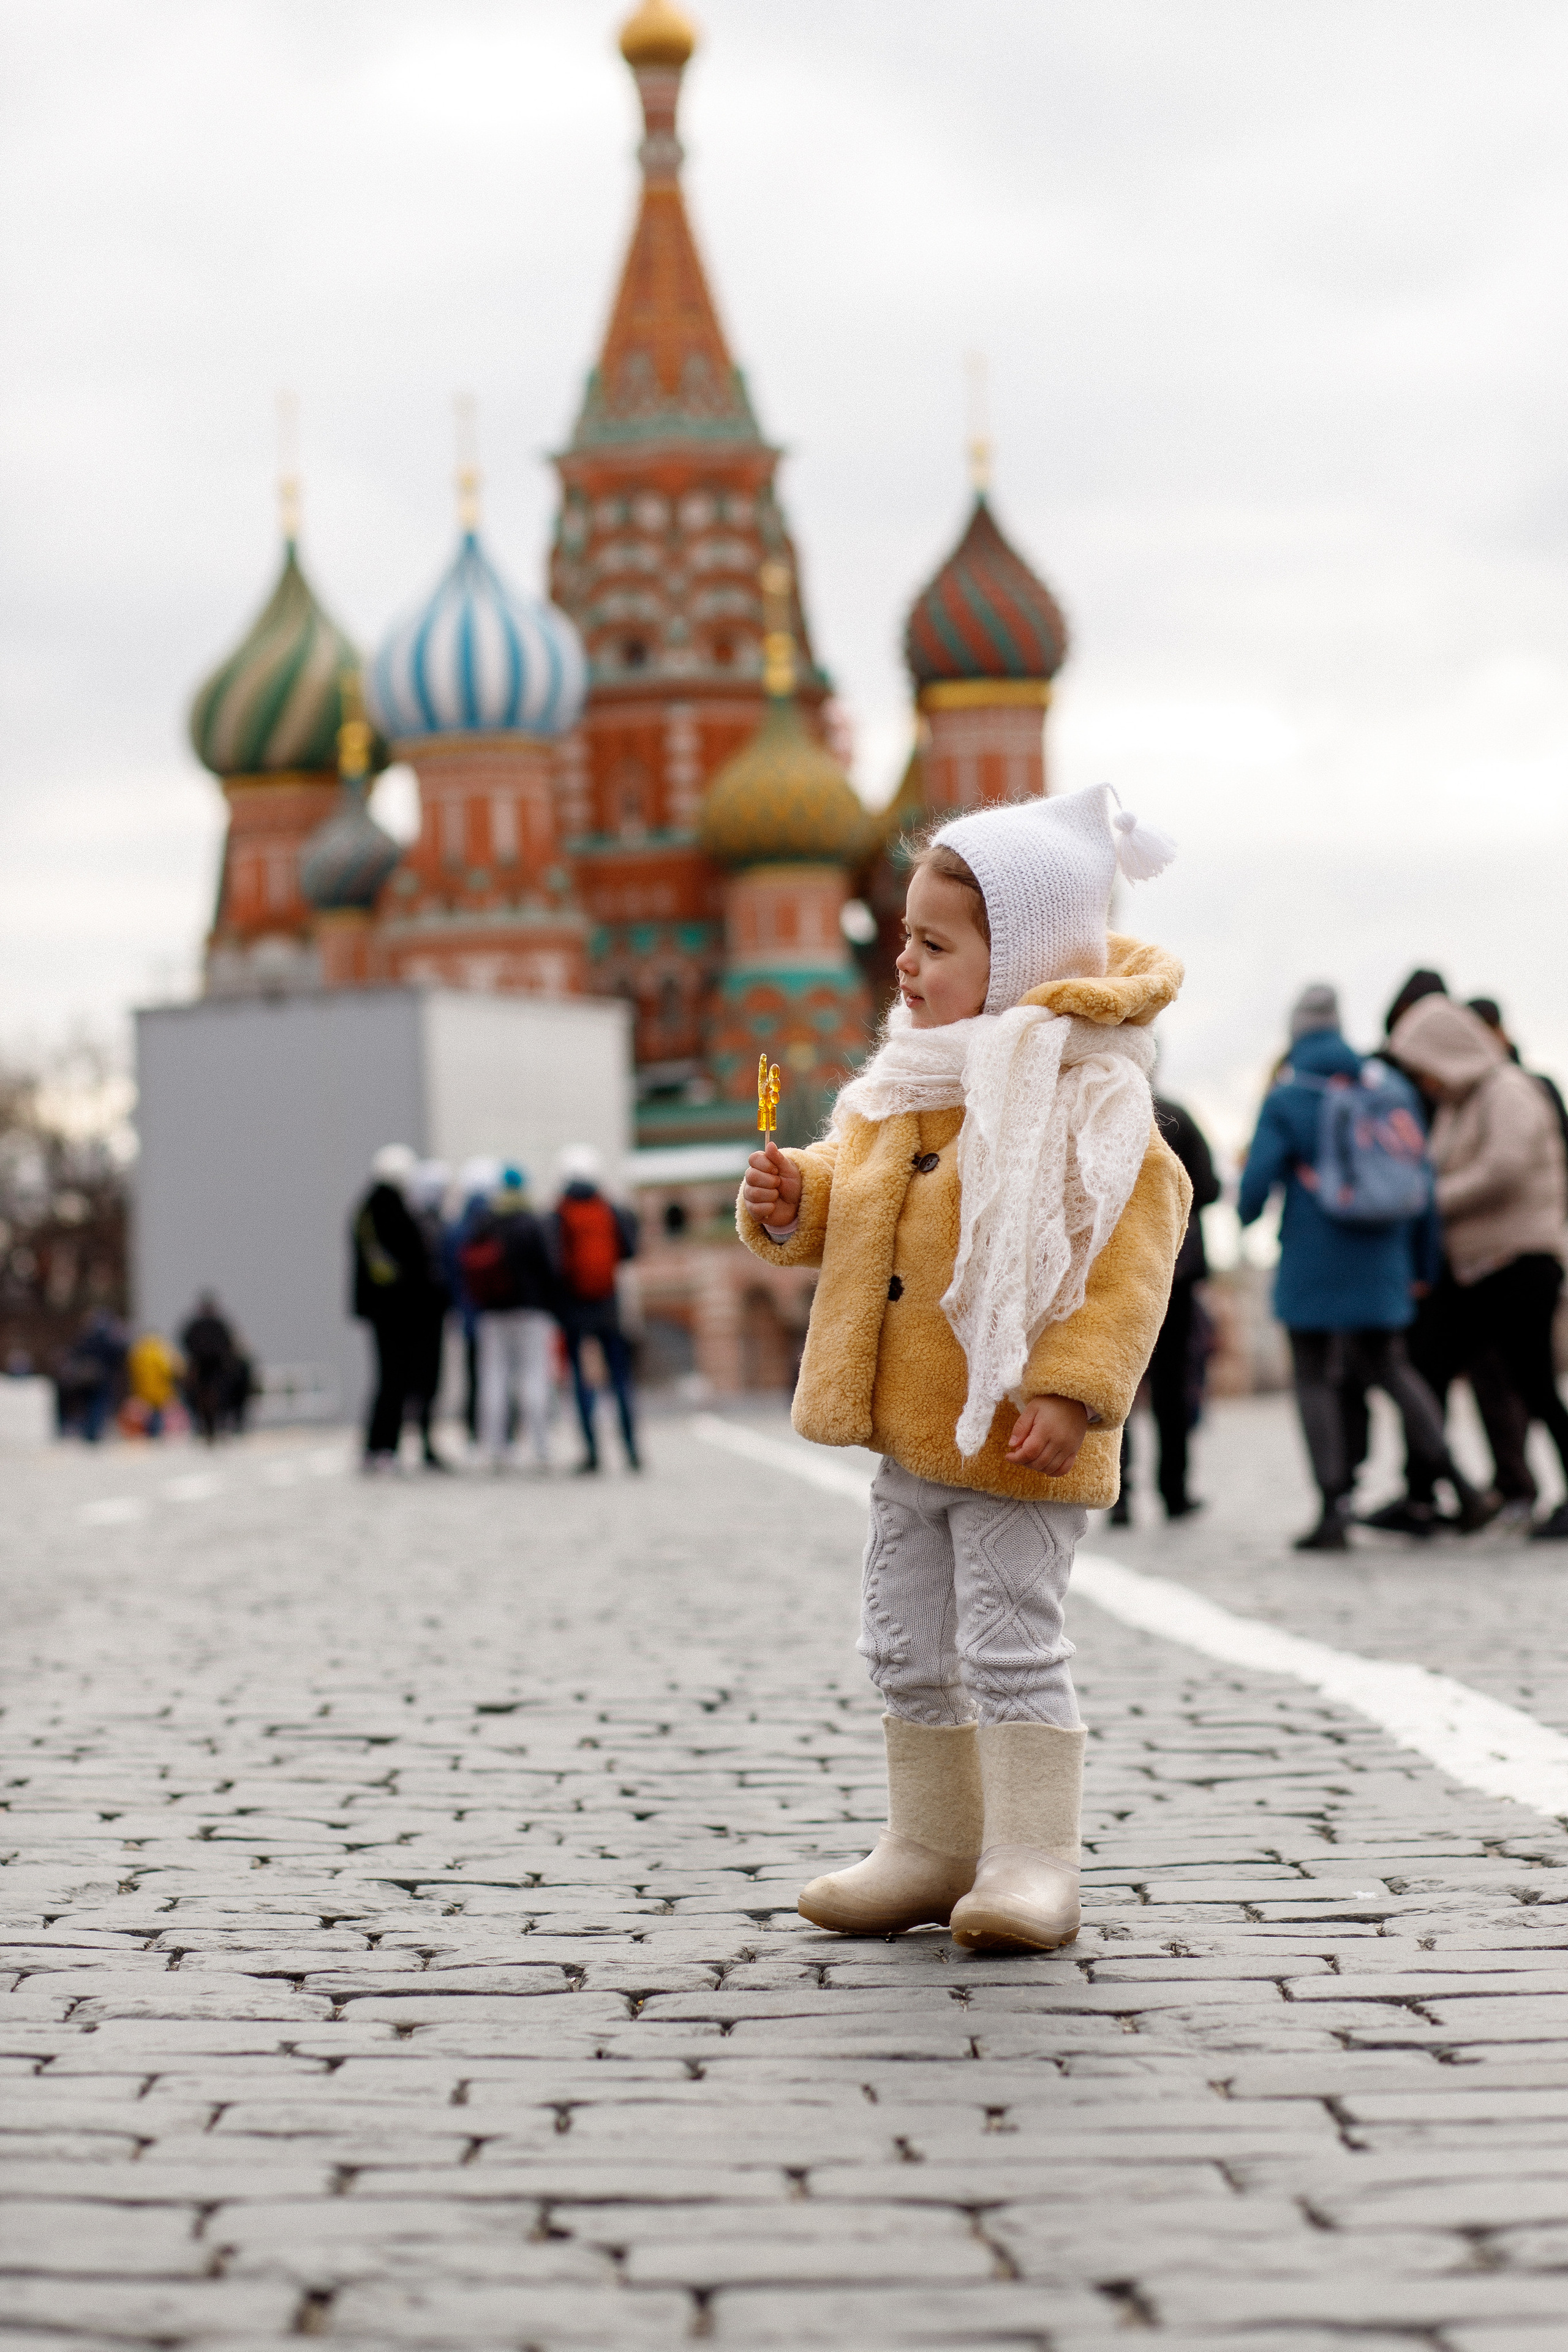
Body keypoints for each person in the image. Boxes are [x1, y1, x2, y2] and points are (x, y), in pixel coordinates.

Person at [739, 783, 1190, 1954]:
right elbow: (864, 1191)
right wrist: (802, 1198)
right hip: (911, 1433)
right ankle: (930, 1844)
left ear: (1018, 959)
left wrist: (1072, 1390)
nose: (904, 962)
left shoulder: (1090, 1099)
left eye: (935, 945)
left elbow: (1129, 1263)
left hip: (1018, 1434)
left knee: (1009, 1643)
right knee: (903, 1637)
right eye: (903, 937)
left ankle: (1035, 1861)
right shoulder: (908, 1084)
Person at [1238, 984, 1498, 1551]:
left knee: (1313, 1377)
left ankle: (1334, 1508)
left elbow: (1256, 1181)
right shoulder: (1388, 1087)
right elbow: (1421, 1186)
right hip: (1383, 1256)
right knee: (1392, 1369)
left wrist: (1245, 1215)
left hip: (1311, 1259)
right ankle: (1463, 1486)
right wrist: (1423, 1262)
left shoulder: (1288, 1095)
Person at [1390, 993, 1568, 1542]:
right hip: (1474, 1270)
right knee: (1429, 1366)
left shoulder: (1509, 1090)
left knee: (1534, 1383)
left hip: (1519, 1265)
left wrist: (1429, 1198)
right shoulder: (1458, 1106)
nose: (1424, 1082)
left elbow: (1506, 1168)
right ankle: (1430, 1492)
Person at [1110, 1088, 1219, 1525]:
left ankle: (1119, 1496)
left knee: (1115, 1384)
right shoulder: (1176, 1115)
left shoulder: (1101, 1109)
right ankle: (1174, 1492)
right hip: (1176, 1268)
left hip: (1115, 1267)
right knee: (1174, 1384)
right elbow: (1208, 1187)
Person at [461, 1165, 559, 1471]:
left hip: (492, 1313)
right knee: (534, 1377)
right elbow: (550, 1267)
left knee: (493, 1380)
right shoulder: (533, 1222)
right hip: (531, 1311)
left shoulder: (486, 1223)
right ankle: (541, 1447)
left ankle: (495, 1449)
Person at [550, 1145, 640, 1474]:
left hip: (574, 1308)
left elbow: (554, 1263)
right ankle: (631, 1451)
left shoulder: (559, 1212)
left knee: (581, 1381)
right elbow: (629, 1250)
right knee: (619, 1379)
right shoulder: (611, 1209)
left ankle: (591, 1454)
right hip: (608, 1304)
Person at [350, 1144, 435, 1473]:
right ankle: (385, 1447)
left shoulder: (364, 1210)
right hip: (399, 1312)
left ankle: (377, 1446)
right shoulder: (394, 1209)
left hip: (378, 1311)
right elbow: (415, 1260)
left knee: (386, 1378)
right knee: (394, 1380)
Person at [405, 1161, 453, 1471]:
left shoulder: (415, 1223)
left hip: (417, 1313)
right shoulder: (434, 1226)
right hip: (428, 1314)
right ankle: (422, 1439)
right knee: (426, 1379)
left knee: (420, 1379)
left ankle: (421, 1439)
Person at [179, 1294, 243, 1444]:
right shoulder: (216, 1325)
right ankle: (212, 1428)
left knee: (209, 1399)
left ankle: (212, 1429)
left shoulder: (201, 1326)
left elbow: (187, 1343)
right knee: (210, 1399)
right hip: (208, 1369)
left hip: (210, 1369)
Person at [57, 1311, 127, 1443]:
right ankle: (93, 1433)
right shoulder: (107, 1340)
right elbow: (117, 1357)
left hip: (87, 1379)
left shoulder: (84, 1339)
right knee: (98, 1406)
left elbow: (76, 1355)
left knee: (89, 1406)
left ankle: (89, 1432)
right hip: (101, 1378)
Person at [127, 1329, 182, 1438]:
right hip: (161, 1391)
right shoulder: (160, 1354)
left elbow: (132, 1371)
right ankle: (157, 1435)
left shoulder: (138, 1354)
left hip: (142, 1391)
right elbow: (168, 1371)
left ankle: (149, 1434)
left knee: (147, 1415)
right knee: (159, 1415)